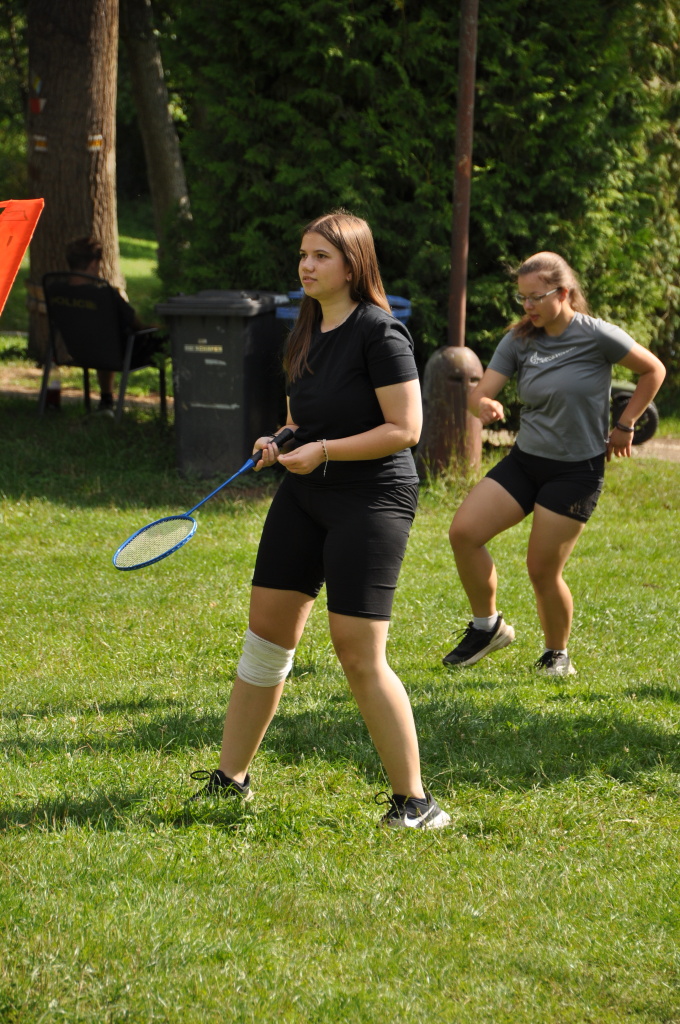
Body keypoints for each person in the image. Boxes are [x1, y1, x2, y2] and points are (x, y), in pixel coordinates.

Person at [190, 211, 450, 829]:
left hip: (373, 498)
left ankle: (416, 803)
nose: (306, 266)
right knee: (265, 638)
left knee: (358, 652)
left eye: (321, 256)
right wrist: (281, 439)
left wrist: (324, 450)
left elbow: (405, 429)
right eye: (303, 255)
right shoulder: (306, 329)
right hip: (306, 492)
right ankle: (231, 779)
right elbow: (303, 418)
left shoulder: (381, 333)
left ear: (353, 265)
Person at [444, 251, 665, 676]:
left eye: (536, 297)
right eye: (522, 297)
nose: (527, 306)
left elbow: (652, 370)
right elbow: (478, 395)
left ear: (563, 293)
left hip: (575, 471)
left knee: (542, 570)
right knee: (464, 532)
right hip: (525, 462)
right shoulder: (519, 340)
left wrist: (626, 424)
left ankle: (556, 654)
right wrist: (483, 405)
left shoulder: (597, 335)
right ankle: (487, 627)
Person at [64, 236, 165, 414]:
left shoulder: (57, 290)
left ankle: (106, 400)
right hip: (121, 355)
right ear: (94, 264)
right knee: (167, 337)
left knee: (102, 340)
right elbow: (137, 325)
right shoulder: (106, 295)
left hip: (77, 351)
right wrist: (160, 327)